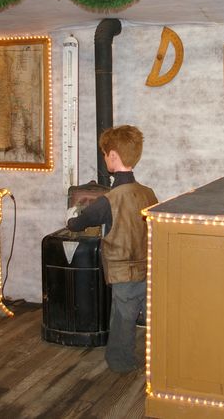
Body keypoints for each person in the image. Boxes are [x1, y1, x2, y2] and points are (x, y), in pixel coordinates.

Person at [66, 125, 158, 373]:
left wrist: (72, 219)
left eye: (105, 154)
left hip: (123, 271)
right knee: (151, 317)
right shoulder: (148, 193)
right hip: (148, 266)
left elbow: (79, 223)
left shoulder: (110, 199)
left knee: (122, 319)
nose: (105, 158)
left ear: (114, 156)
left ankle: (121, 363)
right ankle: (159, 363)